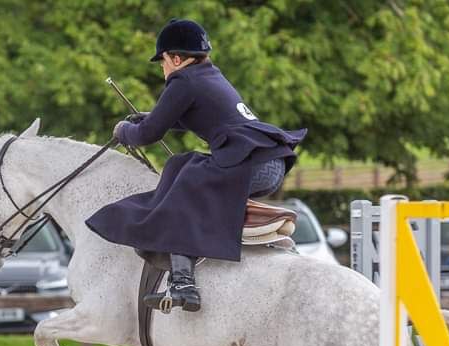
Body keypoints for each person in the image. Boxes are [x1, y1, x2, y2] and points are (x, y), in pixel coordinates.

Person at [85, 18, 306, 313]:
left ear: (176, 58)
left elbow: (147, 135)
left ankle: (183, 283)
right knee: (181, 165)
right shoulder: (207, 75)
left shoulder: (183, 81)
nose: (162, 68)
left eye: (162, 61)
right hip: (269, 160)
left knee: (182, 182)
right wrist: (149, 117)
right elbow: (179, 118)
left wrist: (122, 130)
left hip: (250, 163)